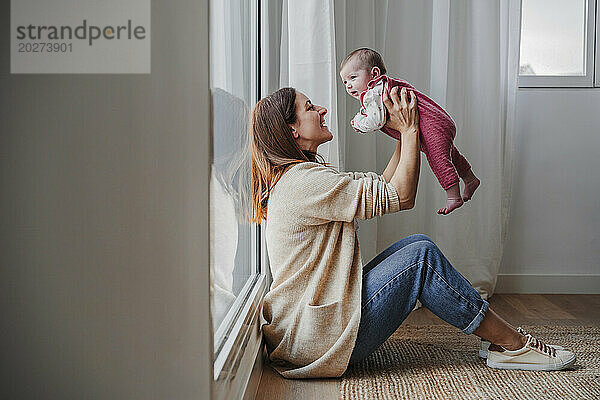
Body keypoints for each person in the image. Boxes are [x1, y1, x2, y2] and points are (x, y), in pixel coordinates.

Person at [250, 85, 575, 378]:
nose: (321, 109)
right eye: (310, 107)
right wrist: (409, 129)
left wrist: (404, 136)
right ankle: (513, 345)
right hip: (318, 344)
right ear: (292, 130)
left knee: (416, 243)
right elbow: (401, 197)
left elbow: (379, 186)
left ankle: (499, 342)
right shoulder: (303, 183)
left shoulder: (300, 177)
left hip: (308, 335)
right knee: (421, 259)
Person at [340, 47, 480, 215]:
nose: (349, 86)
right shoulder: (384, 86)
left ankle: (453, 196)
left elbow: (376, 120)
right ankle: (470, 179)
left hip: (433, 125)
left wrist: (357, 123)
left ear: (374, 74)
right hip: (439, 122)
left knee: (438, 159)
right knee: (452, 155)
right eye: (345, 82)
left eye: (353, 78)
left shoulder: (375, 92)